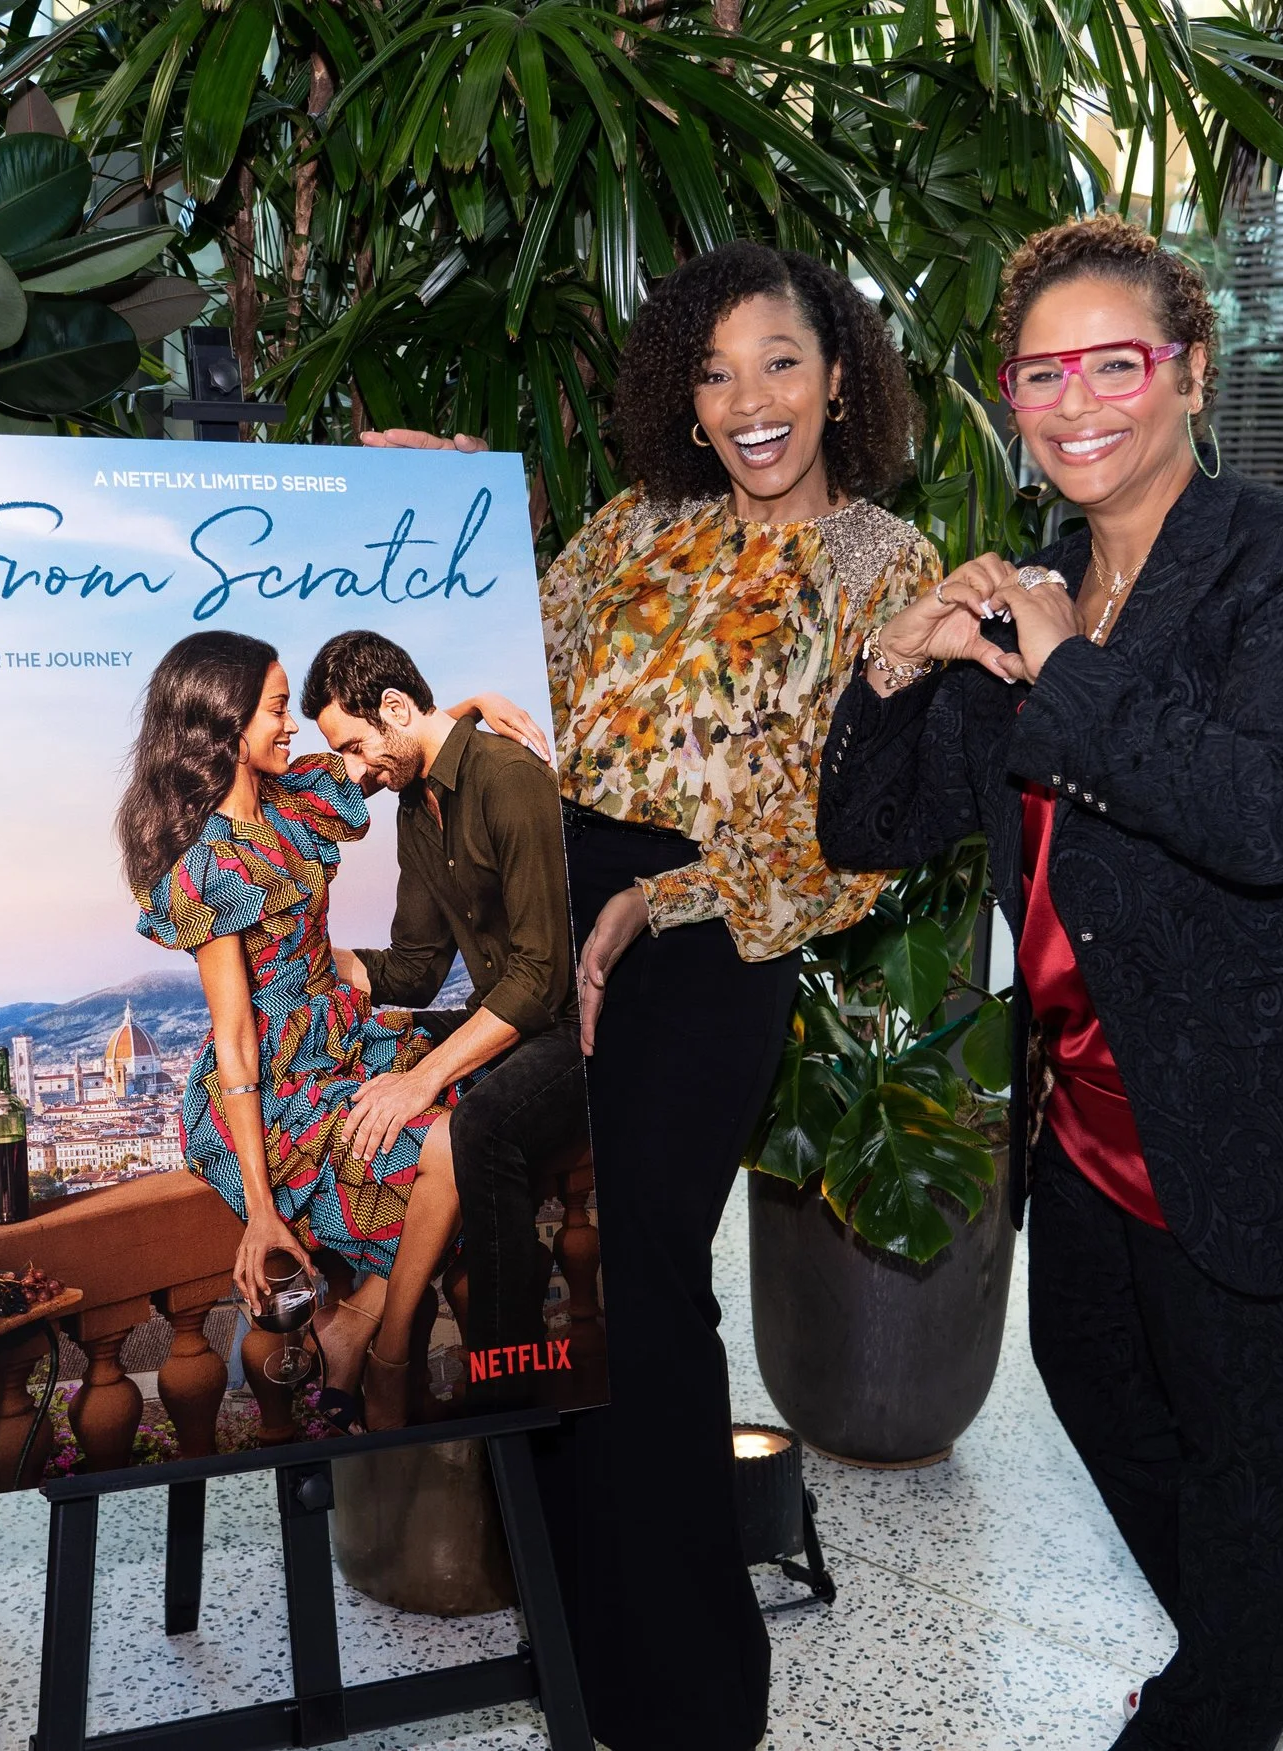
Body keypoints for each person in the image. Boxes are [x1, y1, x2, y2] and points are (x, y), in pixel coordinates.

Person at [818, 214, 1283, 1751]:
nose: (1075, 402)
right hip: (1094, 1123)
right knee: (1117, 1413)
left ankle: (1239, 1687)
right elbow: (866, 830)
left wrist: (1069, 669)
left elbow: (1269, 813)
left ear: (1190, 371)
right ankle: (1282, 1657)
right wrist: (898, 663)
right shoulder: (1030, 595)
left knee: (1260, 1475)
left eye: (1114, 362)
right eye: (1040, 373)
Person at [368, 239, 940, 1750]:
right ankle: (574, 1643)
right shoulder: (628, 531)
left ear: (838, 380)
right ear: (680, 399)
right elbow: (507, 696)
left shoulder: (886, 563)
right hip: (549, 909)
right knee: (538, 1277)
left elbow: (860, 831)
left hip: (707, 932)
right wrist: (437, 521)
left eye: (781, 362)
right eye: (713, 369)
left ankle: (689, 1692)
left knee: (647, 1287)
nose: (749, 399)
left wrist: (663, 892)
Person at [119, 631, 464, 1431]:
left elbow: (390, 748)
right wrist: (263, 1212)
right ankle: (388, 1352)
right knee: (451, 1149)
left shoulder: (294, 801)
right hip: (274, 1085)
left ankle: (355, 1327)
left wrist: (474, 709)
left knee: (491, 1119)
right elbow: (236, 1039)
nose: (292, 727)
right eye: (277, 709)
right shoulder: (208, 863)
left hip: (338, 1042)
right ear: (227, 721)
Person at [303, 631, 588, 1405]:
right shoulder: (413, 808)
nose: (356, 773)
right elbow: (418, 965)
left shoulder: (508, 779)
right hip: (508, 1019)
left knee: (480, 1125)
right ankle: (370, 1312)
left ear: (395, 706)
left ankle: (506, 1389)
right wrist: (317, 958)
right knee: (362, 1070)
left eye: (357, 746)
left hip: (574, 1030)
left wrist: (424, 1078)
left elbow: (540, 977)